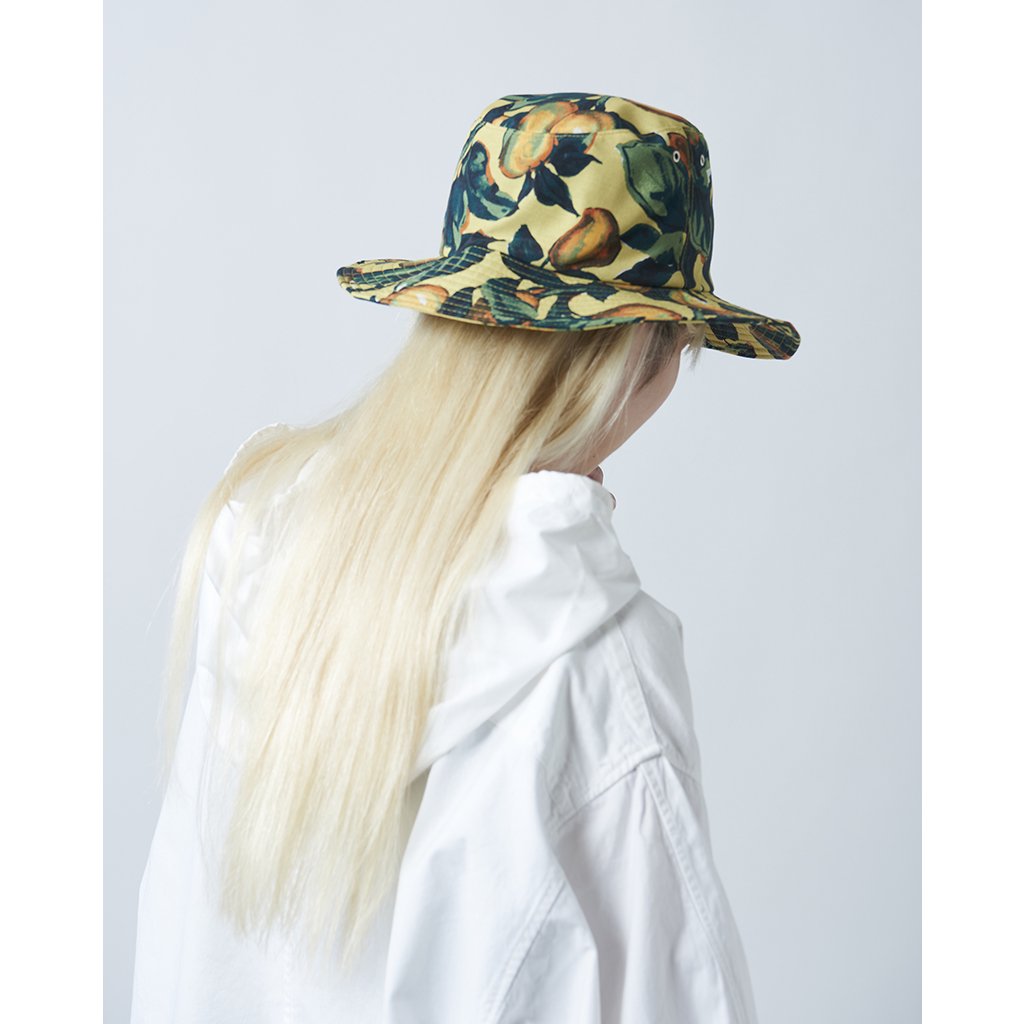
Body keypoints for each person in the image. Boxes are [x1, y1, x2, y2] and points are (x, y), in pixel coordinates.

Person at [131, 91, 801, 1023]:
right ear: (642, 353)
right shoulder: (596, 660)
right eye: (682, 350)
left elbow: (186, 938)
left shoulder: (258, 537)